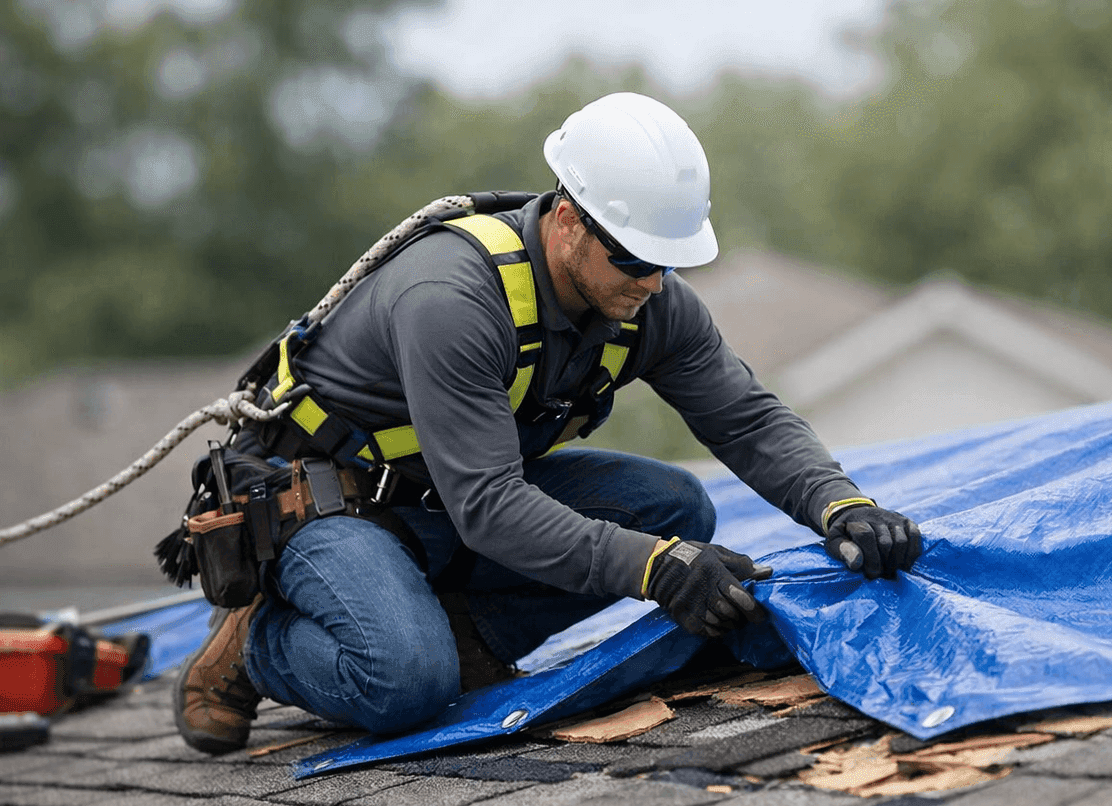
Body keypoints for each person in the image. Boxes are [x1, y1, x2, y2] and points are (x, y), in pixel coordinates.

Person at [175, 92, 922, 755]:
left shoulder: (650, 301)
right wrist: (655, 569)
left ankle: (464, 637)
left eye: (669, 262)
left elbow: (747, 419)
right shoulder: (452, 299)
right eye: (633, 259)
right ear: (567, 221)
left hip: (431, 508)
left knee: (675, 511)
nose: (652, 284)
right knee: (406, 682)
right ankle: (257, 644)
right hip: (322, 507)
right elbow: (492, 505)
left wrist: (841, 504)